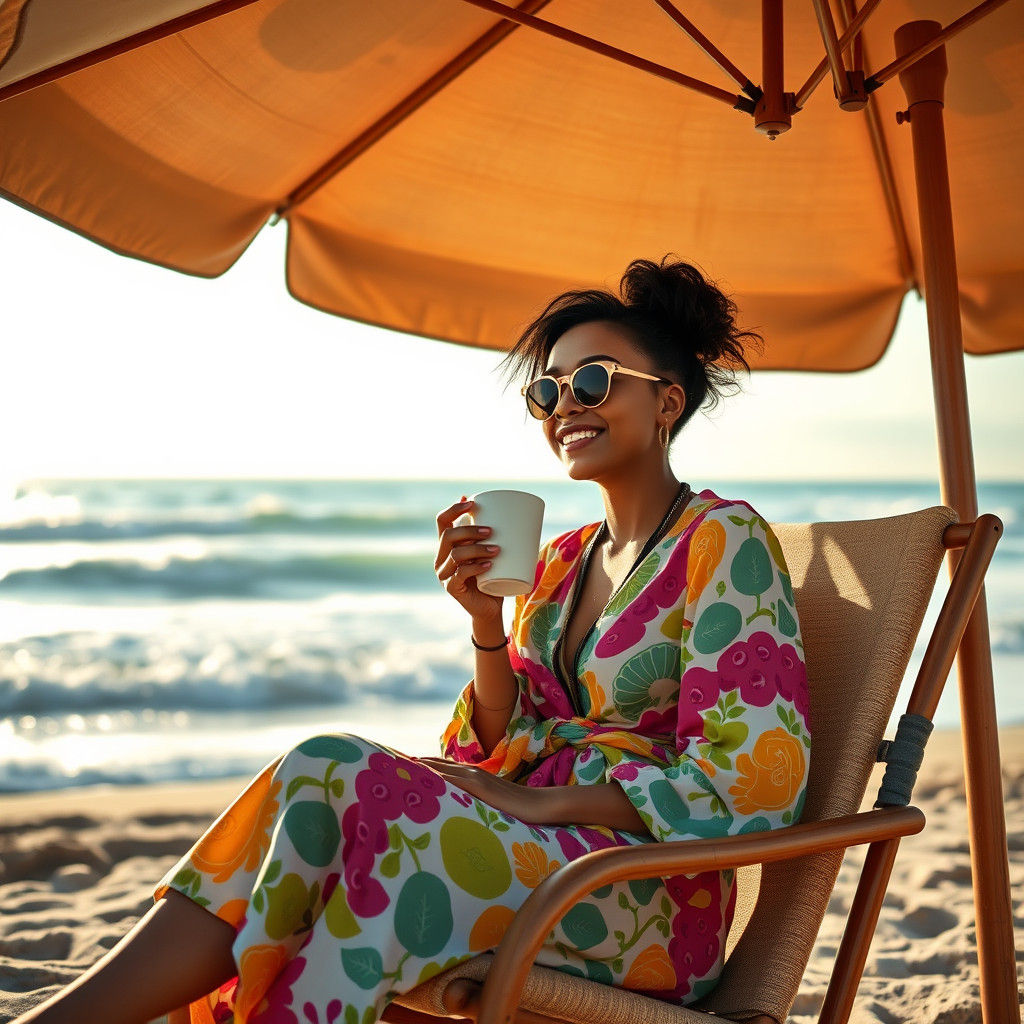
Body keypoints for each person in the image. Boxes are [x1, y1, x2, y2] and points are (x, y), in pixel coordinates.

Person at [12, 255, 811, 1024]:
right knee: (328, 788)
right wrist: (486, 628)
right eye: (548, 390)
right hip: (538, 848)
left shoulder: (722, 541)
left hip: (646, 896)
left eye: (593, 380)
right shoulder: (564, 561)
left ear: (667, 402)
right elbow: (500, 742)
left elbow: (754, 781)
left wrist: (541, 800)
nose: (565, 404)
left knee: (340, 780)